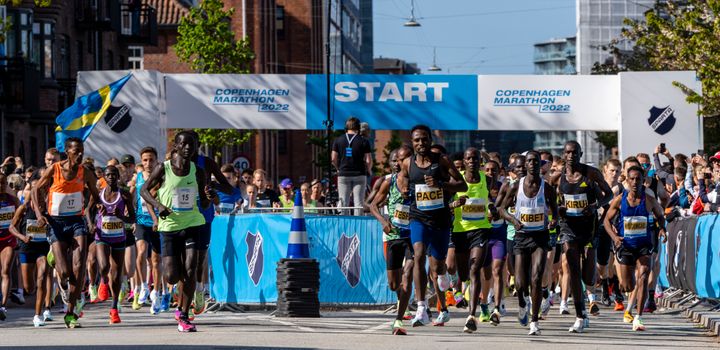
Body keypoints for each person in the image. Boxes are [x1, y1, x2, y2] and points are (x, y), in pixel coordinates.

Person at [396, 124, 467, 327]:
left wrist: (440, 185)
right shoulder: (408, 163)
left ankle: (444, 275)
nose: (421, 143)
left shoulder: (441, 161)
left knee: (437, 266)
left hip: (441, 219)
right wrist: (403, 189)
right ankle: (421, 307)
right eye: (417, 140)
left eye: (424, 139)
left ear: (430, 140)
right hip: (418, 217)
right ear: (412, 142)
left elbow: (461, 184)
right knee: (418, 255)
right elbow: (402, 179)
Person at [140, 130, 210, 332]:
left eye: (192, 144)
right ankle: (179, 298)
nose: (188, 148)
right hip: (169, 227)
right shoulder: (164, 168)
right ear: (176, 146)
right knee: (171, 276)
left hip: (192, 223)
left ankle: (184, 314)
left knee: (190, 269)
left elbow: (204, 204)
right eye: (184, 144)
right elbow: (143, 190)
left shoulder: (198, 171)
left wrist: (208, 195)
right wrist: (158, 205)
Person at [31, 137, 100, 328]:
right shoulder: (55, 169)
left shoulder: (84, 172)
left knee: (78, 267)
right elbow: (36, 189)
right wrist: (39, 213)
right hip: (56, 222)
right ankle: (62, 282)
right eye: (76, 151)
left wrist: (92, 208)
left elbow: (96, 193)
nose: (79, 155)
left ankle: (71, 312)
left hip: (76, 222)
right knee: (63, 272)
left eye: (82, 151)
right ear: (67, 152)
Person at [499, 151, 558, 336]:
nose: (532, 164)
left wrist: (554, 219)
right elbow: (501, 209)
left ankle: (534, 321)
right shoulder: (516, 186)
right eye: (529, 161)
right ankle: (523, 303)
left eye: (535, 161)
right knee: (519, 282)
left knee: (536, 276)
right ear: (525, 165)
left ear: (540, 164)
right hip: (521, 236)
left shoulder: (547, 188)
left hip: (540, 236)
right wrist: (513, 220)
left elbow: (555, 209)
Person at [557, 141, 612, 333]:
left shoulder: (592, 174)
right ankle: (580, 315)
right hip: (568, 228)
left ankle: (586, 309)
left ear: (580, 154)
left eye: (574, 152)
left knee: (589, 276)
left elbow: (609, 195)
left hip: (589, 228)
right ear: (563, 155)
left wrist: (595, 207)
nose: (571, 155)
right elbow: (553, 201)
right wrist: (559, 210)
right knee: (573, 268)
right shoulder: (558, 177)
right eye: (567, 152)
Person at [603, 165, 667, 331]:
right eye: (631, 179)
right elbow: (606, 221)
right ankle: (628, 297)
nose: (635, 182)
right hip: (626, 246)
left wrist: (662, 228)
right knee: (627, 285)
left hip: (644, 245)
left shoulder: (649, 200)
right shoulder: (620, 199)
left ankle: (638, 317)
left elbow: (660, 215)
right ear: (627, 180)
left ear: (643, 180)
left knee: (644, 275)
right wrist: (615, 237)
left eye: (638, 179)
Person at [449, 147, 497, 333]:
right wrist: (455, 204)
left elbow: (488, 199)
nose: (472, 161)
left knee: (475, 267)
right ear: (464, 160)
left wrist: (491, 208)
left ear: (480, 161)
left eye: (475, 158)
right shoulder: (456, 178)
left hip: (481, 229)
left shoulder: (487, 179)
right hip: (460, 230)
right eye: (469, 158)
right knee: (463, 274)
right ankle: (461, 287)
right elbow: (445, 205)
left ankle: (471, 316)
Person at [368, 146, 415, 335]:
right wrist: (383, 221)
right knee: (394, 284)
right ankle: (402, 301)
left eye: (403, 159)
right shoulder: (389, 182)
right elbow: (371, 205)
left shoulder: (419, 181)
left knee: (408, 274)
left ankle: (398, 320)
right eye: (396, 160)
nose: (399, 163)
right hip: (394, 235)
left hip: (413, 236)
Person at [9, 173, 52, 326]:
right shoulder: (24, 208)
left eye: (41, 195)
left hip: (43, 248)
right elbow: (11, 227)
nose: (39, 198)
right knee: (29, 287)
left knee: (42, 277)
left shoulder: (48, 209)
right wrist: (22, 237)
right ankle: (37, 305)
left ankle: (38, 315)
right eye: (36, 194)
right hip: (26, 249)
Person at [94, 165, 135, 324]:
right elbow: (89, 210)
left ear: (118, 176)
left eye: (114, 174)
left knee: (117, 274)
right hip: (102, 235)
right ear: (104, 177)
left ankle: (114, 308)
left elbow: (132, 218)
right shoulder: (99, 195)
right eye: (108, 175)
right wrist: (92, 223)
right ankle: (103, 281)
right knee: (104, 266)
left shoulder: (124, 195)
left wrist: (121, 217)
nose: (111, 177)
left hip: (119, 236)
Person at [128, 146, 166, 313]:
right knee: (141, 252)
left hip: (158, 223)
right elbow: (133, 198)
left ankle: (156, 293)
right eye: (145, 160)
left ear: (156, 160)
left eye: (151, 160)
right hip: (142, 221)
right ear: (141, 162)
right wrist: (132, 218)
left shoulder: (162, 178)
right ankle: (143, 285)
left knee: (157, 261)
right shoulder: (137, 178)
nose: (148, 163)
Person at [332, 117, 372, 216]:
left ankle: (343, 226)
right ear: (358, 127)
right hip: (359, 174)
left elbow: (333, 159)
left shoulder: (338, 140)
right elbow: (368, 160)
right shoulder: (364, 141)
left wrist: (338, 169)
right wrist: (369, 170)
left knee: (343, 202)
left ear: (346, 127)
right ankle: (357, 227)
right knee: (358, 203)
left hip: (343, 174)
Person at [0, 173, 20, 321]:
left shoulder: (13, 200)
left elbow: (19, 217)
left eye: (2, 183)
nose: (1, 187)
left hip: (8, 239)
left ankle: (2, 305)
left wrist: (18, 234)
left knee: (5, 270)